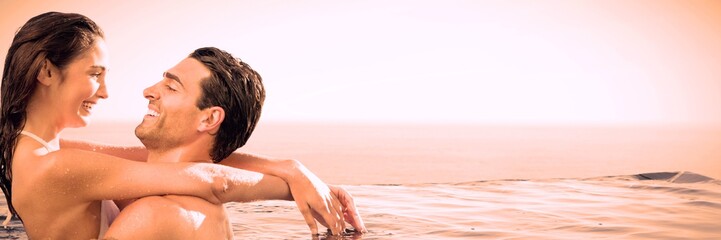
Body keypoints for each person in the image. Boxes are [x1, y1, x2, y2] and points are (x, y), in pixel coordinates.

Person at [0, 12, 362, 239]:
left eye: (172, 86)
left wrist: (292, 170)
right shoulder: (59, 167)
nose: (108, 92)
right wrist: (290, 188)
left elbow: (155, 159)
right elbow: (212, 179)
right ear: (46, 72)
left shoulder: (44, 151)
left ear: (209, 118)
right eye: (95, 74)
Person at [101, 47, 356, 238]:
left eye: (171, 87)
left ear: (209, 118)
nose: (148, 90)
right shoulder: (209, 214)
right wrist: (288, 169)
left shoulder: (152, 215)